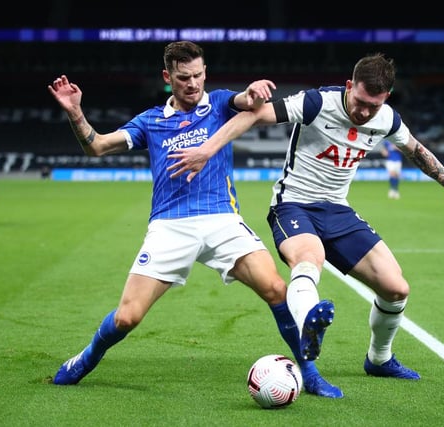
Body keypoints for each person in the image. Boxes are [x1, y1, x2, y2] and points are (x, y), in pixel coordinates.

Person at [167, 52, 444, 382]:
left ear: (386, 99)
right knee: (310, 258)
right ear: (350, 86)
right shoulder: (316, 103)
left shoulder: (387, 119)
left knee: (396, 288)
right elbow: (253, 115)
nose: (364, 112)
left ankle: (379, 359)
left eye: (373, 106)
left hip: (338, 210)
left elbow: (417, 151)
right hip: (293, 205)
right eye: (360, 101)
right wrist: (206, 150)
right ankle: (309, 327)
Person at [46, 41, 342, 398]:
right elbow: (96, 146)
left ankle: (310, 374)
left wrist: (255, 91)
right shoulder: (151, 121)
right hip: (170, 226)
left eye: (198, 75)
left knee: (276, 289)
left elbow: (246, 102)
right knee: (127, 318)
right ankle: (85, 359)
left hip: (222, 219)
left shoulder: (218, 102)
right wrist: (75, 113)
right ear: (167, 77)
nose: (193, 83)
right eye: (184, 77)